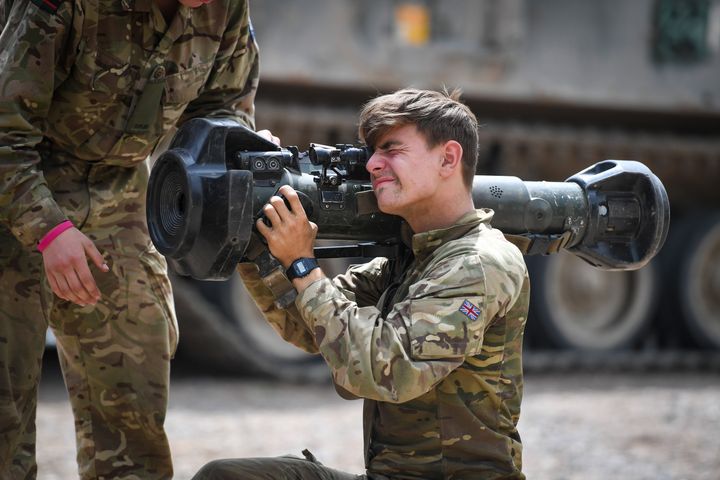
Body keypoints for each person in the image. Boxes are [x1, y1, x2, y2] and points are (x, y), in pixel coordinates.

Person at [193, 88, 531, 480]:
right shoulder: (412, 259)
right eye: (372, 152)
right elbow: (310, 327)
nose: (372, 164)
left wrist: (303, 264)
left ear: (448, 158)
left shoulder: (478, 263)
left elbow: (385, 370)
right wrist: (257, 232)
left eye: (392, 149)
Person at [0, 1, 266, 478]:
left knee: (132, 399)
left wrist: (229, 161)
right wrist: (49, 230)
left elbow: (221, 107)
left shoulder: (223, 7)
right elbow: (4, 130)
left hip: (121, 189)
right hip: (18, 182)